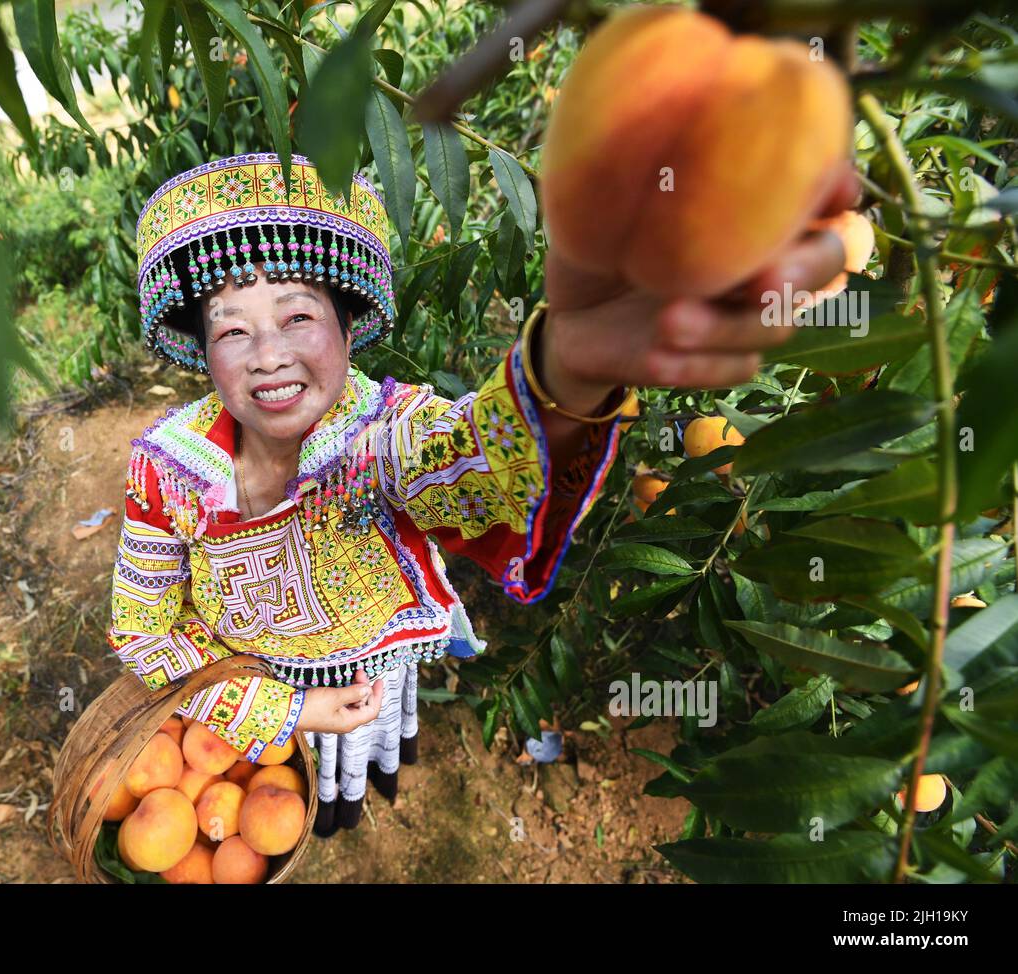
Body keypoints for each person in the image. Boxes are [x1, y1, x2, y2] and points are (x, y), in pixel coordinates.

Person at [106, 151, 851, 837]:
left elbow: (475, 465)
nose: (268, 357)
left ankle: (351, 803)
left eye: (297, 316)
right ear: (203, 351)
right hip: (236, 689)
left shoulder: (385, 436)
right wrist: (287, 708)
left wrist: (569, 365)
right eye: (232, 331)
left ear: (345, 326)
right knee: (277, 794)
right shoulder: (165, 468)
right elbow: (142, 626)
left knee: (358, 765)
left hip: (365, 675)